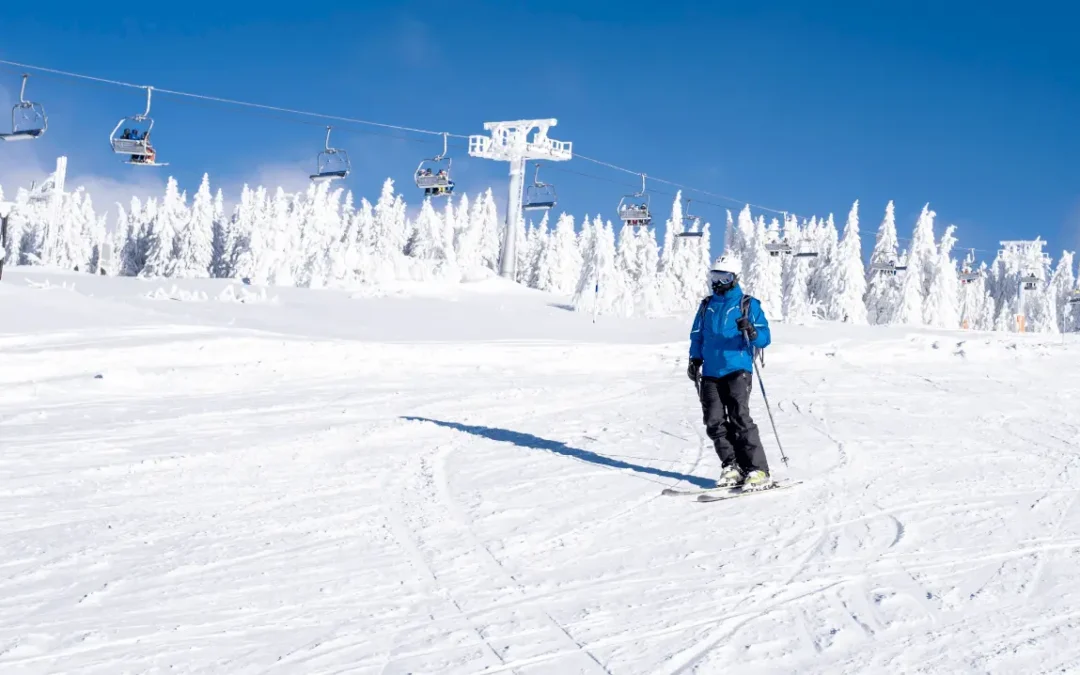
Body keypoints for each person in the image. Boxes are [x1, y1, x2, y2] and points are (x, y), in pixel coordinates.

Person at [687, 254, 774, 490]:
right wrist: (694, 359)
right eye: (714, 276)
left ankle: (758, 470)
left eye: (723, 277)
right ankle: (732, 466)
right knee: (714, 421)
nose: (717, 282)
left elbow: (765, 338)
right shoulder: (707, 305)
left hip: (737, 368)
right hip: (711, 372)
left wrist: (752, 332)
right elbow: (698, 335)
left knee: (739, 418)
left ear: (734, 278)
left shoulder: (748, 304)